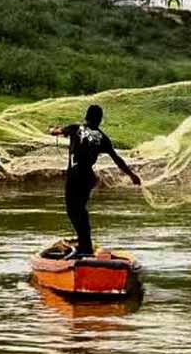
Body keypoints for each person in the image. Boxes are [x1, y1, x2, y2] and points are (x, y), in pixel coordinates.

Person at [50, 105, 140, 257]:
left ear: (86, 117)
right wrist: (131, 175)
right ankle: (85, 242)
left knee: (73, 210)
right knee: (81, 210)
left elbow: (55, 132)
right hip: (88, 178)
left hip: (75, 176)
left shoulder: (75, 128)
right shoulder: (102, 137)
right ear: (99, 120)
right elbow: (117, 159)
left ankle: (84, 246)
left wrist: (53, 129)